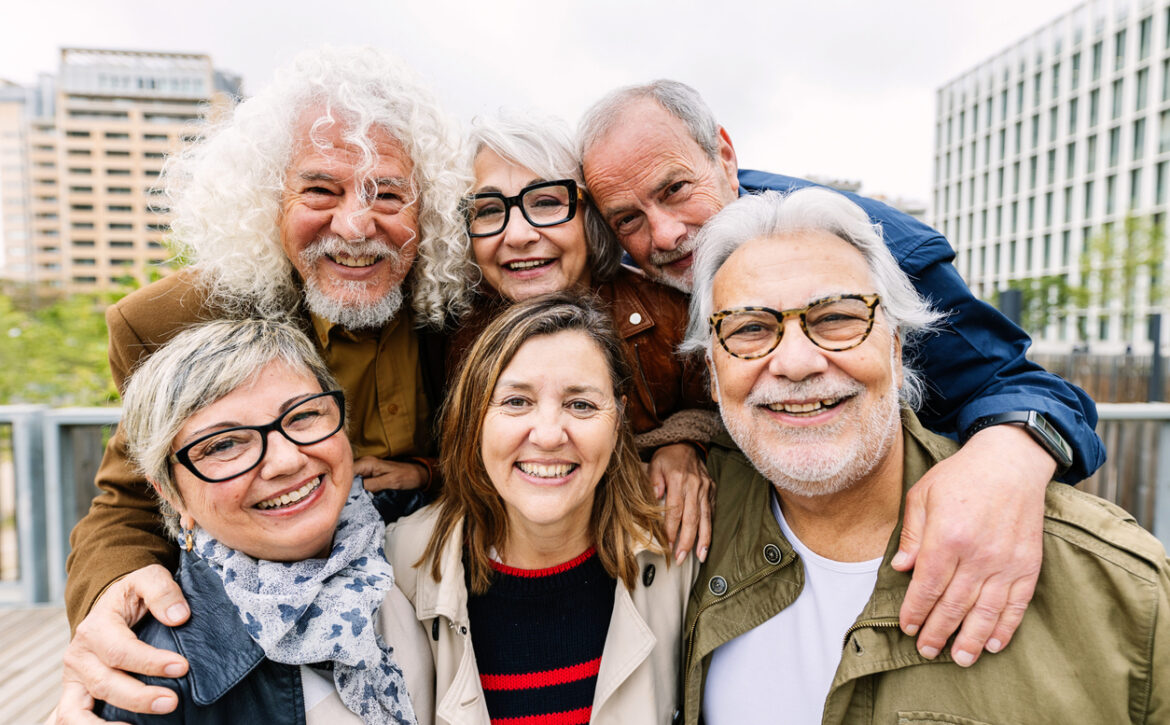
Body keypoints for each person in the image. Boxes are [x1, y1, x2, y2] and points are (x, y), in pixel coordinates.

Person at [577, 79, 1106, 664]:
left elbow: (1024, 387)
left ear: (724, 156)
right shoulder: (627, 277)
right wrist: (685, 437)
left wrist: (1004, 463)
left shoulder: (874, 254)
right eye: (628, 219)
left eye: (676, 189)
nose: (666, 233)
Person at [58, 46, 467, 720]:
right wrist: (111, 595)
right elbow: (133, 496)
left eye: (387, 193)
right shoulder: (173, 320)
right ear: (266, 199)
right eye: (320, 190)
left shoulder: (465, 305)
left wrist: (424, 470)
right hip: (264, 658)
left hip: (432, 619)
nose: (357, 225)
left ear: (428, 212)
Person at [679, 188, 1169, 725]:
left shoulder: (1120, 590)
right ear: (711, 370)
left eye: (837, 318)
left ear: (895, 345)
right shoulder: (664, 549)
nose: (795, 361)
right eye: (749, 329)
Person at [92, 318, 431, 724]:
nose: (286, 461)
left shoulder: (426, 541)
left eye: (303, 415)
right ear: (171, 493)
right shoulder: (152, 682)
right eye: (225, 444)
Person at [387, 293, 694, 724]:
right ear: (475, 416)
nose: (548, 435)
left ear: (619, 420)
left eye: (581, 404)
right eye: (516, 401)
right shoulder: (403, 563)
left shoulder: (681, 551)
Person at [453, 114, 718, 561]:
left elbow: (722, 408)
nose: (518, 235)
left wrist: (686, 440)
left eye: (546, 203)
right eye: (490, 210)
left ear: (588, 215)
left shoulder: (670, 309)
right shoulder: (456, 330)